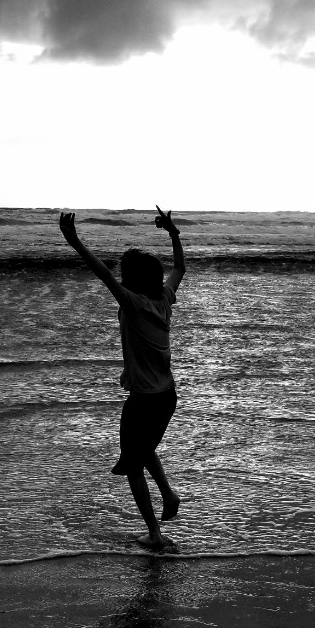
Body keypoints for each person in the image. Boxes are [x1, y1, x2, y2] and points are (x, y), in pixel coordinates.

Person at [60, 207, 185, 552]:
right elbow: (180, 268)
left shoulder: (132, 302)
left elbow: (103, 276)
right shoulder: (164, 300)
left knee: (133, 462)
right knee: (141, 450)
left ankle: (155, 534)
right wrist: (173, 232)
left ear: (131, 281)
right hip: (167, 396)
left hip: (144, 399)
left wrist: (76, 243)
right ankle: (168, 494)